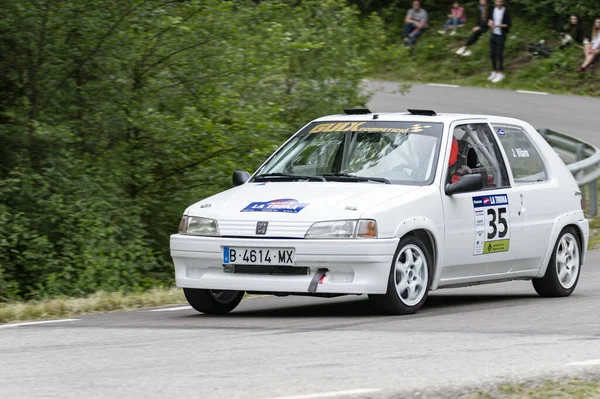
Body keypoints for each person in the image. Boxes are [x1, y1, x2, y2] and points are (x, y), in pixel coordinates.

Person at [488, 0, 511, 83]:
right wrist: (490, 23)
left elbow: (507, 25)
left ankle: (501, 73)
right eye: (497, 1)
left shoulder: (505, 11)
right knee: (492, 54)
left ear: (503, 3)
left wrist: (497, 25)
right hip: (493, 34)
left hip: (501, 35)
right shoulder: (493, 9)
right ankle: (494, 71)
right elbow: (490, 19)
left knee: (499, 54)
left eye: (500, 2)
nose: (498, 3)